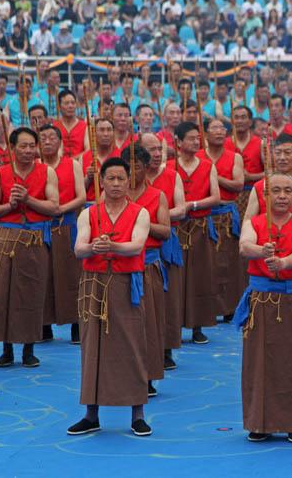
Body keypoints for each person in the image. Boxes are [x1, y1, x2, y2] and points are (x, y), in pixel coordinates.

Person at [67, 157, 152, 437]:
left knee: (132, 344)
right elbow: (79, 249)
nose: (116, 184)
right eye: (110, 178)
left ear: (129, 182)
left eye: (121, 179)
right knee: (93, 347)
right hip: (94, 283)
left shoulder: (140, 212)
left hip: (126, 283)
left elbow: (137, 245)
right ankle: (91, 414)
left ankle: (138, 414)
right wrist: (94, 246)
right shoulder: (89, 213)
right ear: (101, 181)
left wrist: (112, 245)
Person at [235, 172, 292, 443]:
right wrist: (262, 251)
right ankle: (259, 422)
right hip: (261, 300)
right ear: (265, 196)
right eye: (276, 191)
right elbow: (245, 246)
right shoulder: (254, 222)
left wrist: (282, 263)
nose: (282, 196)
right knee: (258, 361)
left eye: (288, 191)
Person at [0, 127, 59, 368]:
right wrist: (10, 205)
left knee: (32, 292)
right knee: (2, 293)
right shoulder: (0, 174)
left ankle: (29, 349)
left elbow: (54, 207)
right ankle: (6, 349)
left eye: (31, 146)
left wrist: (28, 200)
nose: (28, 151)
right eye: (23, 146)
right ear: (12, 147)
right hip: (6, 236)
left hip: (34, 238)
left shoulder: (47, 172)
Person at [123, 143, 170, 397]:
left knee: (149, 323)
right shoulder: (113, 195)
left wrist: (140, 220)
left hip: (148, 264)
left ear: (145, 167)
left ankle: (149, 376)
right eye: (127, 166)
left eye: (137, 166)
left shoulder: (157, 195)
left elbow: (165, 230)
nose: (132, 171)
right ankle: (124, 374)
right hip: (121, 265)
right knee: (123, 323)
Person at [142, 133, 186, 369]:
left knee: (169, 297)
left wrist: (151, 220)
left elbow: (180, 209)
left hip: (165, 241)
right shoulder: (133, 178)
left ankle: (167, 348)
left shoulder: (172, 175)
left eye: (159, 149)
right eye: (151, 150)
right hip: (139, 243)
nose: (157, 154)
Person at [38, 125, 86, 344]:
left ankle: (77, 324)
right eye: (43, 138)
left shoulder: (73, 165)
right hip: (42, 227)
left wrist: (61, 209)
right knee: (43, 275)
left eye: (52, 137)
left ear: (60, 142)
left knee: (72, 275)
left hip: (67, 224)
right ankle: (43, 324)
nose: (48, 141)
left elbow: (81, 197)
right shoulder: (35, 167)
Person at [174, 121, 220, 344]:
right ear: (179, 142)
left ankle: (198, 326)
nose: (196, 142)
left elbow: (215, 197)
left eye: (197, 138)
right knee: (177, 277)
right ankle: (174, 325)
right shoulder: (169, 167)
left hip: (200, 226)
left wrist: (191, 204)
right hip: (176, 228)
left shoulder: (207, 165)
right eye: (191, 138)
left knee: (200, 276)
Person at [200, 118, 245, 320]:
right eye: (214, 128)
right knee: (207, 264)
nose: (219, 132)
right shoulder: (199, 156)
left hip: (225, 215)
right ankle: (208, 307)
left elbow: (238, 184)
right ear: (205, 133)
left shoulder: (234, 157)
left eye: (222, 128)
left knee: (228, 262)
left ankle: (228, 307)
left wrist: (213, 177)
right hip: (204, 215)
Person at [54, 90, 89, 158]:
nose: (70, 106)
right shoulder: (54, 127)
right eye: (66, 103)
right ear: (59, 106)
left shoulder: (85, 126)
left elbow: (88, 150)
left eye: (73, 103)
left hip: (80, 164)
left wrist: (71, 162)